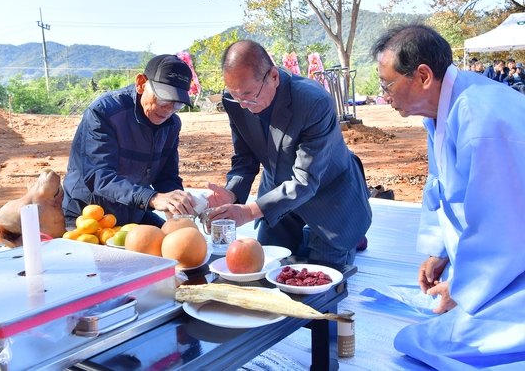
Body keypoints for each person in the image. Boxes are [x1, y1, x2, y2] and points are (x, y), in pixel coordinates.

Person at [371, 24, 525, 369]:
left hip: (510, 258)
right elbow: (441, 186)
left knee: (424, 341)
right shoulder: (444, 107)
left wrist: (463, 288)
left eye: (387, 85)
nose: (385, 97)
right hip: (497, 256)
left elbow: (503, 224)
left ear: (423, 75)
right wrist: (438, 250)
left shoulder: (479, 117)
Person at [205, 40, 372, 266]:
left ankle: (349, 237)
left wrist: (249, 211)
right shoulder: (236, 101)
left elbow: (306, 180)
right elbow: (245, 159)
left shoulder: (314, 102)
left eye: (248, 95)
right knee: (265, 264)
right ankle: (307, 234)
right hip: (277, 193)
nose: (243, 105)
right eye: (235, 96)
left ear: (273, 76)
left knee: (317, 278)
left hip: (330, 196)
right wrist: (231, 194)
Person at [62, 54, 199, 228]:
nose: (169, 110)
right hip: (89, 215)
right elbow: (99, 176)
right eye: (164, 99)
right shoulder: (105, 112)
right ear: (141, 83)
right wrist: (152, 198)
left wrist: (177, 201)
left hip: (132, 212)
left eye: (177, 104)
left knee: (176, 242)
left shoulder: (171, 125)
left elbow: (167, 177)